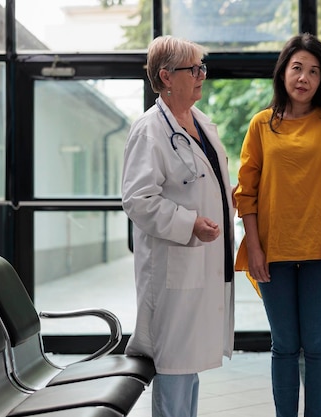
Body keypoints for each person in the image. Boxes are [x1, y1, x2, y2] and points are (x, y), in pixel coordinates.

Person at [234, 33, 321, 417]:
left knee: (318, 345)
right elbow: (247, 193)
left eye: (313, 71)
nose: (303, 78)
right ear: (283, 72)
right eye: (297, 68)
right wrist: (254, 247)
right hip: (272, 251)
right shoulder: (261, 125)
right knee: (285, 346)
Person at [121, 35, 235, 417]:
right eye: (194, 69)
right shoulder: (150, 129)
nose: (202, 75)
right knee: (174, 370)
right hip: (173, 268)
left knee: (189, 369)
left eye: (202, 67)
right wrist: (188, 224)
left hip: (200, 265)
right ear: (167, 77)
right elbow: (138, 199)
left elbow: (202, 183)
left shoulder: (201, 123)